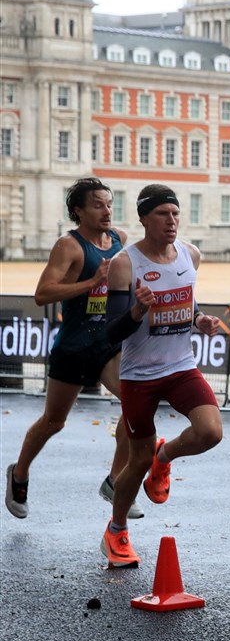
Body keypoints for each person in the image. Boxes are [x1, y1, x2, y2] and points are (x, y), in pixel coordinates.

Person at [98, 185, 226, 567]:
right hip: (139, 375)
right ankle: (116, 530)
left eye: (175, 213)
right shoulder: (125, 263)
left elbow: (187, 299)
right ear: (143, 218)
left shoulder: (190, 254)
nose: (171, 221)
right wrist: (137, 312)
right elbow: (110, 331)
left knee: (211, 432)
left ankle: (164, 456)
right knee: (135, 461)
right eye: (161, 214)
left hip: (180, 366)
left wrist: (200, 319)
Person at [7, 179, 137, 520]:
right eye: (97, 204)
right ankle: (19, 473)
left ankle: (115, 480)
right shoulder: (69, 246)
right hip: (75, 345)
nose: (106, 210)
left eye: (109, 204)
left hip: (107, 342)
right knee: (54, 421)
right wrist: (92, 283)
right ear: (78, 210)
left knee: (137, 405)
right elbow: (43, 293)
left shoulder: (120, 240)